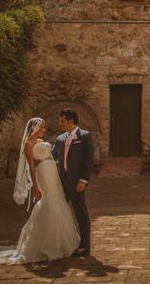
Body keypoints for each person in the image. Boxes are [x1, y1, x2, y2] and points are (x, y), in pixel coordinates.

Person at [0, 118, 80, 264]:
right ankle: (48, 243)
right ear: (35, 128)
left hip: (52, 172)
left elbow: (50, 156)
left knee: (58, 198)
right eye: (42, 128)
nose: (44, 130)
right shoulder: (28, 144)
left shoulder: (40, 142)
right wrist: (34, 185)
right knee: (49, 199)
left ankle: (63, 241)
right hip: (42, 173)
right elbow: (32, 166)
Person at [52, 108, 93, 256]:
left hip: (77, 182)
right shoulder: (60, 139)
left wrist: (83, 180)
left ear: (71, 121)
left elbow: (88, 161)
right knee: (59, 212)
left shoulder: (85, 136)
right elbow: (51, 157)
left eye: (62, 120)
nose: (60, 123)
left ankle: (85, 245)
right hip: (61, 183)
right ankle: (62, 243)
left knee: (80, 213)